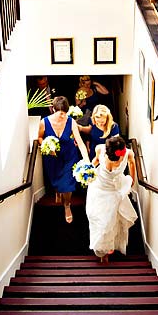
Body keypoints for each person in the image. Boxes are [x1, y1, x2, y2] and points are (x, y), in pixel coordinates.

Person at [85, 135, 137, 263]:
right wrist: (87, 171)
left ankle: (107, 249)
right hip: (98, 188)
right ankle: (102, 250)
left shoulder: (128, 154)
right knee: (97, 218)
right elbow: (96, 161)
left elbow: (132, 163)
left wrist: (132, 179)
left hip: (114, 191)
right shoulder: (99, 149)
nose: (116, 161)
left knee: (110, 221)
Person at [39, 95, 90, 223]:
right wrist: (47, 146)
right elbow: (39, 138)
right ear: (53, 110)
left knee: (68, 184)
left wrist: (87, 161)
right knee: (56, 181)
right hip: (52, 157)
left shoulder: (71, 121)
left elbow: (80, 142)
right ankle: (58, 191)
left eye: (65, 113)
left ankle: (67, 205)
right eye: (60, 113)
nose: (63, 116)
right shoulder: (44, 122)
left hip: (69, 156)